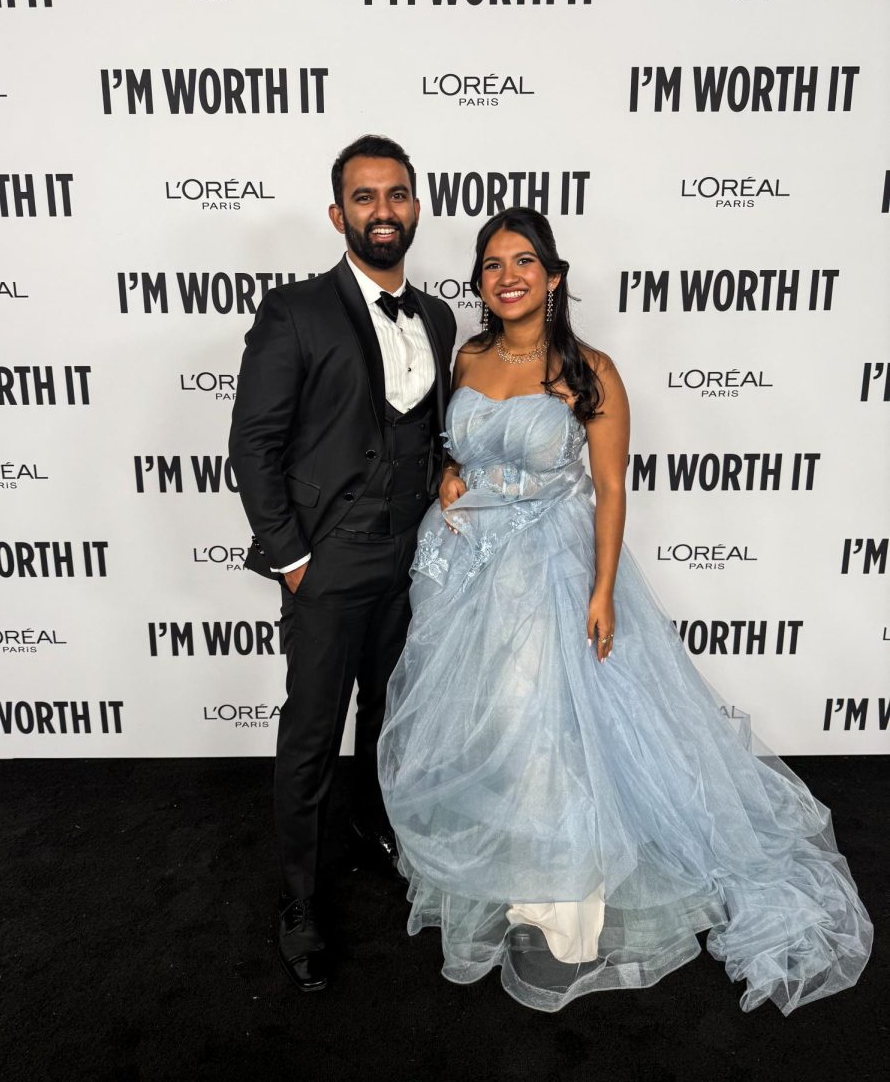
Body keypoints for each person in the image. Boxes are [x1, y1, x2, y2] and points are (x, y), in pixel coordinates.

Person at [377, 207, 872, 1015]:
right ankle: (509, 861)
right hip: (462, 571)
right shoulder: (466, 357)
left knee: (551, 722)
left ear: (554, 276)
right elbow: (459, 449)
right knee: (494, 723)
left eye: (525, 261)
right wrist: (447, 477)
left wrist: (602, 589)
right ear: (478, 282)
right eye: (493, 264)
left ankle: (563, 892)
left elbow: (609, 489)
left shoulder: (590, 370)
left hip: (553, 567)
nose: (508, 276)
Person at [229, 134, 457, 993]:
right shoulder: (295, 312)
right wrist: (291, 560)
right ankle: (297, 901)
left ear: (415, 208)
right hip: (326, 565)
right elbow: (253, 445)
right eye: (365, 198)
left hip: (411, 563)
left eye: (397, 195)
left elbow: (429, 430)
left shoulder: (436, 317)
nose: (383, 211)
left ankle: (370, 832)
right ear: (339, 215)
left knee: (391, 717)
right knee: (311, 734)